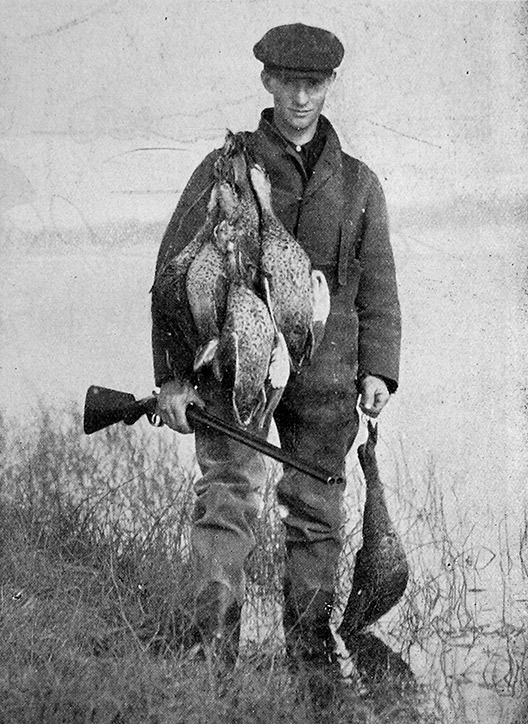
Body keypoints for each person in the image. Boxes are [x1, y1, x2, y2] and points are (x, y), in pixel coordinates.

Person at [152, 22, 401, 686]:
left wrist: (378, 368)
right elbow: (171, 278)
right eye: (288, 82)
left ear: (329, 87)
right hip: (236, 366)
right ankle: (216, 657)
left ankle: (312, 659)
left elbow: (379, 286)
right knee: (227, 498)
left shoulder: (359, 185)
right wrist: (172, 379)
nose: (300, 97)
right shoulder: (223, 170)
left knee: (317, 509)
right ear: (267, 81)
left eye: (313, 84)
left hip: (329, 377)